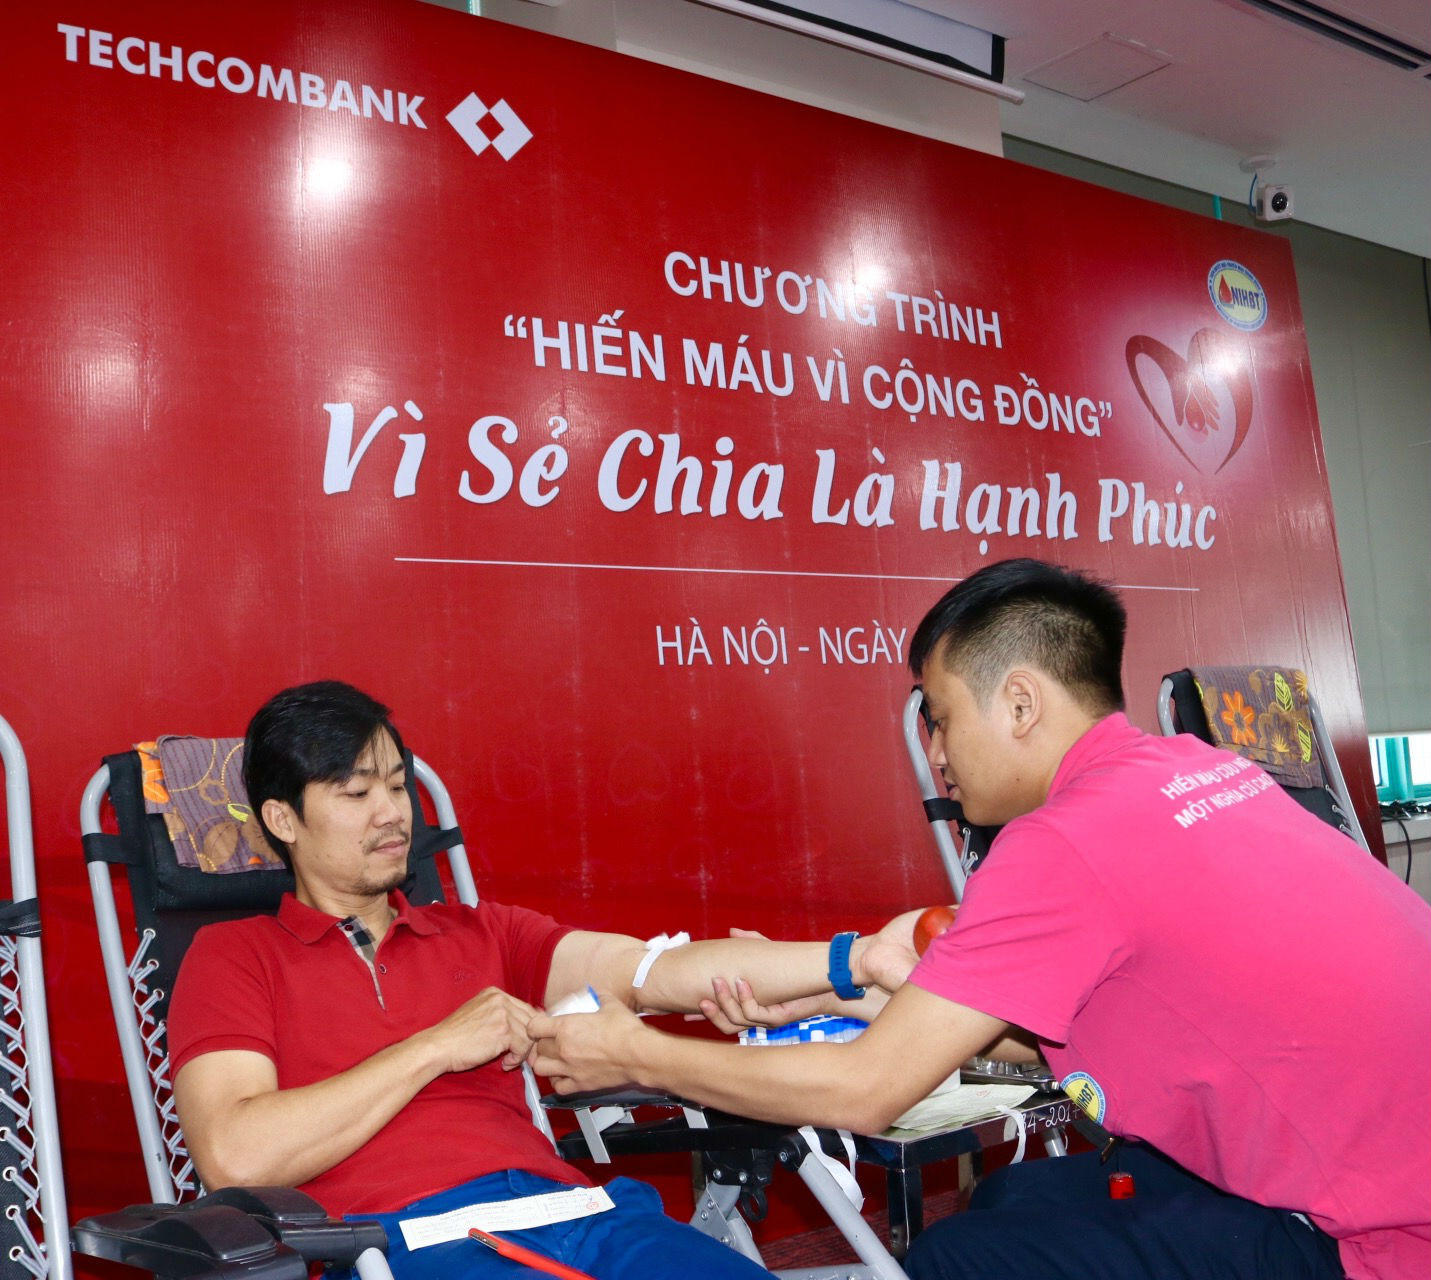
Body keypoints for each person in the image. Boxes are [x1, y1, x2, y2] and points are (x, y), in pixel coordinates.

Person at [531, 558, 1431, 1280]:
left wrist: (636, 1053)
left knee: (958, 1257)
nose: (935, 752)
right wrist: (846, 997)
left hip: (1377, 1244)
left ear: (1020, 703)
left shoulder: (1061, 842)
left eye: (941, 717)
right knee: (1012, 1201)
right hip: (1391, 1177)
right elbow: (1102, 1021)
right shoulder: (1200, 771)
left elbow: (863, 1092)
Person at [167, 679, 916, 1280]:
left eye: (397, 787)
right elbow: (237, 1155)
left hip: (585, 1217)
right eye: (357, 794)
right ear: (283, 820)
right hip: (404, 1243)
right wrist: (436, 1046)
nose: (392, 814)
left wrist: (854, 959)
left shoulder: (481, 932)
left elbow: (655, 972)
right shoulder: (235, 956)